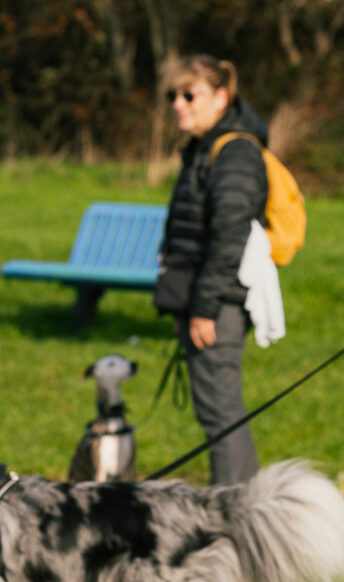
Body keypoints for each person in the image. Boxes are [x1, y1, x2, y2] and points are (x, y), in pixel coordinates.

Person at [152, 55, 267, 485]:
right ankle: (243, 509)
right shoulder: (204, 148)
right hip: (202, 298)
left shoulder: (234, 150)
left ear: (221, 97)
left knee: (222, 413)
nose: (178, 104)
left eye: (188, 94)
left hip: (216, 304)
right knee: (217, 410)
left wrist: (204, 306)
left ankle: (237, 514)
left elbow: (229, 238)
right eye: (172, 96)